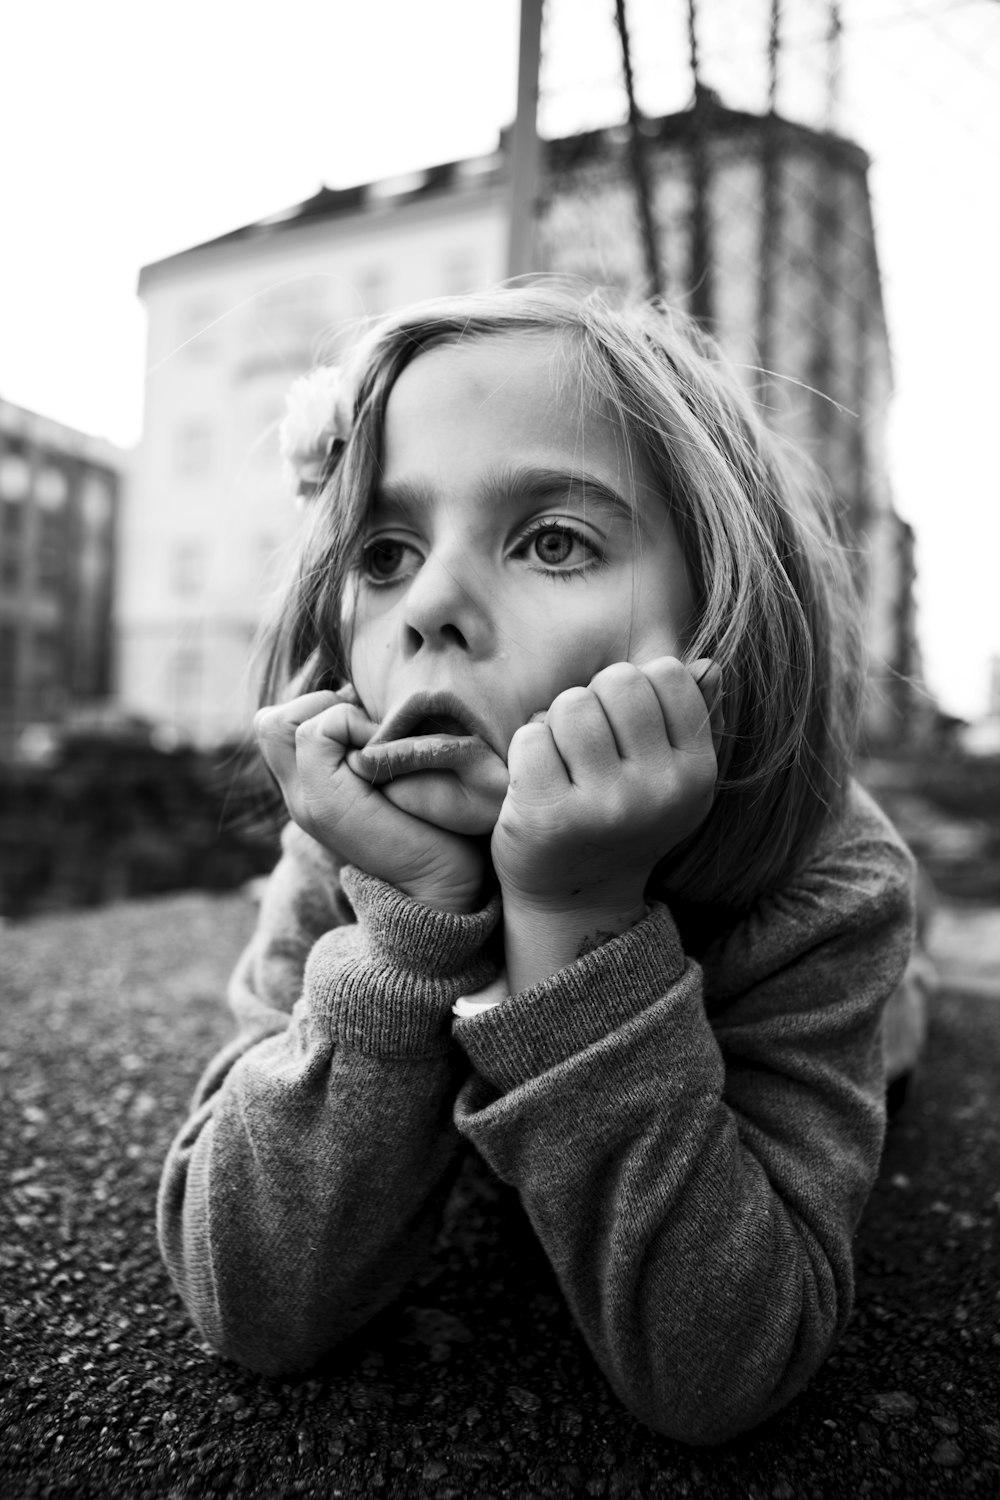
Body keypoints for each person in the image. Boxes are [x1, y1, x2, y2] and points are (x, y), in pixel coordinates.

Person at [157, 284, 917, 1445]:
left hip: (862, 1024)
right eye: (385, 551)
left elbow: (725, 1372)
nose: (433, 603)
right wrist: (412, 923)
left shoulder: (830, 881)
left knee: (904, 1035)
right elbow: (251, 1300)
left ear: (722, 618)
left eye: (552, 541)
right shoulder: (352, 834)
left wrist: (575, 914)